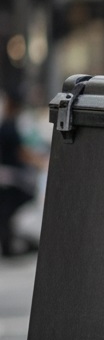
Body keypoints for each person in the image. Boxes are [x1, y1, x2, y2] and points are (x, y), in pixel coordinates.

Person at [0, 89, 45, 258]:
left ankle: (9, 243)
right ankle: (8, 244)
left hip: (10, 175)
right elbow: (20, 152)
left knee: (6, 212)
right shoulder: (9, 126)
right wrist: (40, 162)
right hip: (11, 177)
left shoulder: (9, 124)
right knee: (8, 210)